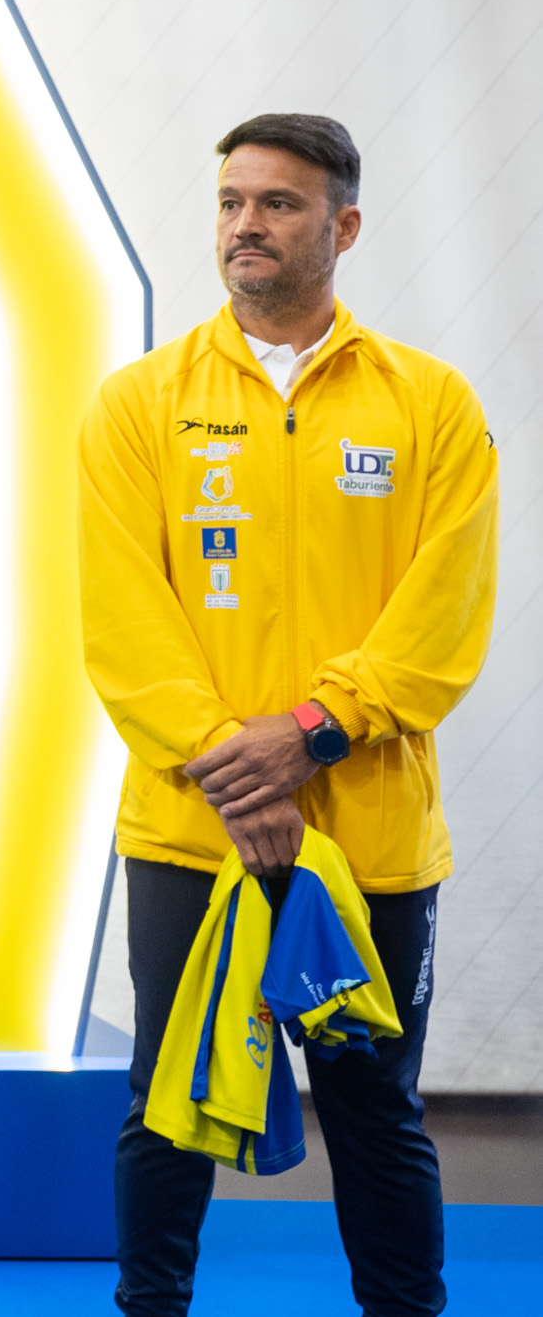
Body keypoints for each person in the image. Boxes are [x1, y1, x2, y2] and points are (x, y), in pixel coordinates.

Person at [81, 113, 497, 1317]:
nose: (245, 224)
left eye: (277, 202)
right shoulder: (138, 402)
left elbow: (441, 621)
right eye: (230, 201)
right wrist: (236, 769)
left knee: (374, 1108)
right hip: (193, 831)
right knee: (167, 1106)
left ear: (342, 226)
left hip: (368, 836)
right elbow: (123, 622)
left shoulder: (429, 403)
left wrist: (311, 732)